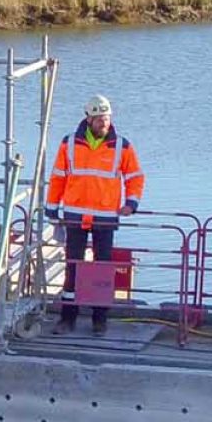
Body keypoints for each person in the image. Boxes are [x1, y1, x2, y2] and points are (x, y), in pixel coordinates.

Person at [45, 94, 145, 334]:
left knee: (102, 268)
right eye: (100, 119)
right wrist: (52, 206)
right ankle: (68, 318)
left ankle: (100, 319)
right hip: (75, 215)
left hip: (105, 218)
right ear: (88, 119)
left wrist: (131, 203)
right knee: (73, 266)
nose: (104, 123)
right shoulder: (69, 144)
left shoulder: (122, 146)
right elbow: (58, 176)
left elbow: (135, 177)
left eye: (107, 118)